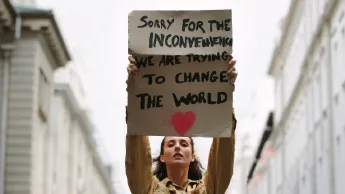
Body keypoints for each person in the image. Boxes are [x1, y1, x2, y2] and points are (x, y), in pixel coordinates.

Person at [125, 55, 238, 194]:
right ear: (162, 157)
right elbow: (137, 155)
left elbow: (223, 156)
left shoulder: (207, 190)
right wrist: (135, 92)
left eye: (184, 144)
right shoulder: (148, 189)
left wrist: (224, 92)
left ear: (192, 156)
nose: (177, 146)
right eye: (171, 144)